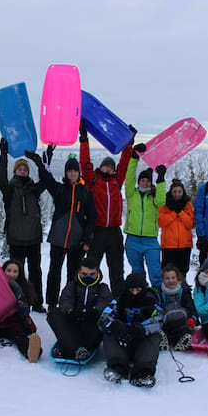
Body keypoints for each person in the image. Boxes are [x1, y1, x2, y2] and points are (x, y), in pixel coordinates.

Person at [24, 150, 97, 309]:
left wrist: (86, 239)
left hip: (77, 241)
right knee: (54, 272)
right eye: (70, 171)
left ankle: (69, 303)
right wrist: (39, 161)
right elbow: (46, 179)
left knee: (73, 274)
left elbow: (92, 217)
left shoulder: (85, 193)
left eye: (75, 170)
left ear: (78, 172)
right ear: (66, 173)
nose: (72, 173)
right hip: (58, 237)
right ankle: (52, 303)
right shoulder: (59, 189)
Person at [79, 120, 134, 298]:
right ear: (100, 166)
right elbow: (84, 161)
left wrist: (129, 143)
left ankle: (118, 298)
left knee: (116, 267)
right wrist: (84, 138)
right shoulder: (92, 179)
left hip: (114, 232)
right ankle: (90, 296)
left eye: (111, 166)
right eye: (106, 165)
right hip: (97, 230)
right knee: (91, 266)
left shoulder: (117, 181)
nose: (108, 168)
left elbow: (125, 163)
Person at [0, 139, 47, 312]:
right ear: (15, 170)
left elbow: (46, 180)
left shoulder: (34, 189)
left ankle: (37, 302)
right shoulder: (10, 189)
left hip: (33, 238)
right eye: (20, 169)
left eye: (25, 169)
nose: (23, 171)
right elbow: (0, 178)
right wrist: (3, 154)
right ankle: (15, 301)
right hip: (16, 238)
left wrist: (38, 161)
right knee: (14, 274)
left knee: (35, 272)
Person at [98, 273, 163, 387]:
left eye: (138, 289)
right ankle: (117, 368)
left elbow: (160, 320)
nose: (135, 293)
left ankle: (143, 372)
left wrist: (142, 328)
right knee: (108, 333)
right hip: (122, 340)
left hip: (141, 340)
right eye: (131, 290)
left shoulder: (151, 302)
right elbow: (103, 319)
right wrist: (115, 326)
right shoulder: (119, 301)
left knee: (154, 335)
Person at [47, 255, 112, 361]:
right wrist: (69, 312)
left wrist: (95, 311)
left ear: (97, 273)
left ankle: (66, 348)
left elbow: (105, 302)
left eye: (92, 274)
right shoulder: (72, 286)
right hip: (74, 322)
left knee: (105, 322)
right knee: (54, 313)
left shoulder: (102, 288)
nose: (88, 277)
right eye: (84, 274)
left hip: (91, 324)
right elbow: (65, 300)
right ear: (79, 273)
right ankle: (76, 349)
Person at [123, 144, 166, 288]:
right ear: (139, 181)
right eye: (143, 180)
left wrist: (160, 179)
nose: (145, 182)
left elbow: (161, 201)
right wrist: (134, 157)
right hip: (133, 239)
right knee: (138, 273)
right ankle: (141, 300)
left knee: (155, 273)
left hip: (150, 241)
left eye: (148, 180)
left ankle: (159, 300)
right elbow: (129, 176)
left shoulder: (153, 197)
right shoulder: (131, 194)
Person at [0, 259, 43, 362]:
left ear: (19, 274)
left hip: (13, 322)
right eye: (9, 270)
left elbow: (24, 311)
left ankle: (31, 352)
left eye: (15, 272)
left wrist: (18, 292)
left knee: (18, 336)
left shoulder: (24, 287)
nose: (11, 274)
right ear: (3, 271)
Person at [158, 179, 194, 278]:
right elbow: (161, 222)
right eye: (175, 192)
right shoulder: (165, 204)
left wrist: (181, 213)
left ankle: (183, 291)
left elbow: (190, 224)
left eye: (179, 192)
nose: (177, 194)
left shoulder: (188, 204)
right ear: (171, 192)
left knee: (182, 272)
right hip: (169, 245)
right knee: (168, 272)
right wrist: (174, 213)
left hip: (185, 245)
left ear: (183, 192)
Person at [157, 264, 197, 351]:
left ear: (177, 278)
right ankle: (164, 339)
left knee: (184, 330)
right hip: (166, 322)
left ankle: (180, 341)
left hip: (182, 321)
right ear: (163, 279)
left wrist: (193, 318)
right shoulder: (159, 291)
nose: (170, 281)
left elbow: (191, 307)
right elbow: (157, 308)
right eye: (167, 278)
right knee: (162, 329)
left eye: (173, 278)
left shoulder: (184, 290)